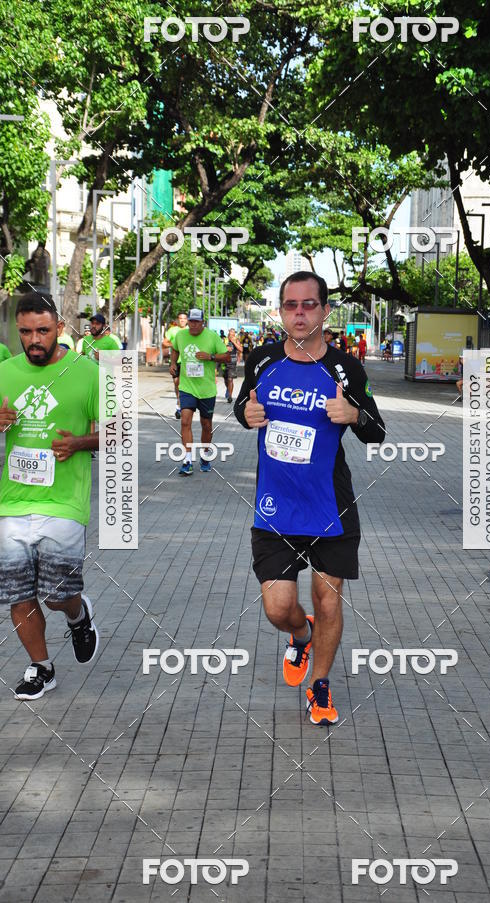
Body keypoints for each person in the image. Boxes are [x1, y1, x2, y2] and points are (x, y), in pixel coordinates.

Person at [234, 271, 385, 726]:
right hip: (275, 507)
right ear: (280, 311)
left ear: (324, 311)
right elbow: (244, 404)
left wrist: (353, 413)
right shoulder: (261, 360)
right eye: (290, 305)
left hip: (329, 508)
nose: (299, 313)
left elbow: (376, 431)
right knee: (278, 608)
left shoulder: (346, 369)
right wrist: (246, 412)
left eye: (308, 305)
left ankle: (320, 685)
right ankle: (301, 637)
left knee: (328, 600)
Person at [0, 293, 100, 700]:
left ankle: (77, 615)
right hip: (12, 502)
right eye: (26, 332)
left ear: (60, 328)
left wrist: (79, 442)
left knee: (57, 595)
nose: (34, 339)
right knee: (17, 593)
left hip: (64, 503)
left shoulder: (89, 373)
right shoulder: (4, 372)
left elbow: (120, 432)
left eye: (43, 330)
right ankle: (41, 667)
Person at [169, 309, 229, 475]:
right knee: (185, 422)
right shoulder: (180, 336)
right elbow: (174, 349)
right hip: (187, 387)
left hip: (206, 390)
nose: (193, 325)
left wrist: (210, 357)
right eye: (191, 321)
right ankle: (187, 460)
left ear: (203, 322)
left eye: (197, 322)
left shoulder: (212, 336)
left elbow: (226, 357)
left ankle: (205, 455)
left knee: (206, 425)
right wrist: (173, 363)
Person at [162, 313, 188, 419]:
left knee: (184, 384)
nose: (182, 320)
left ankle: (182, 406)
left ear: (187, 320)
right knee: (177, 383)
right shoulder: (172, 330)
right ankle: (179, 402)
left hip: (187, 361)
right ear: (177, 320)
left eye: (184, 319)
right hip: (175, 360)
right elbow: (164, 343)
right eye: (180, 319)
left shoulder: (190, 330)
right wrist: (174, 345)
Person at [223, 327, 243, 403]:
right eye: (231, 333)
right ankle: (228, 389)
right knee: (225, 379)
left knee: (230, 379)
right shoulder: (224, 340)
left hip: (232, 361)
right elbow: (219, 349)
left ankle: (230, 396)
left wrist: (234, 342)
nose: (232, 334)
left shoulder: (236, 340)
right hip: (224, 361)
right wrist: (225, 348)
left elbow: (241, 350)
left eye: (233, 333)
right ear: (228, 333)